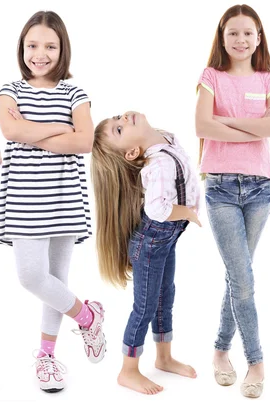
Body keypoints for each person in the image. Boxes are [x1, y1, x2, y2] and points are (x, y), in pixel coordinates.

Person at [0, 10, 105, 393]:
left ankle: (47, 356)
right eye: (32, 45)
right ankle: (88, 316)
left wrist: (33, 132)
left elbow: (84, 141)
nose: (39, 54)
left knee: (55, 281)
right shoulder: (10, 90)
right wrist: (61, 127)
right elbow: (10, 129)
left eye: (49, 46)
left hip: (62, 197)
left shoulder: (76, 93)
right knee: (31, 277)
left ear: (63, 49)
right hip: (25, 200)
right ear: (22, 48)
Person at [195, 3, 270, 398]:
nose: (241, 39)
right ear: (222, 37)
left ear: (259, 37)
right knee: (244, 279)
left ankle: (218, 350)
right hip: (220, 189)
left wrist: (227, 123)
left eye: (248, 32)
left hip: (260, 189)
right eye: (233, 32)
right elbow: (201, 124)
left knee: (238, 276)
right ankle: (256, 361)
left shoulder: (269, 79)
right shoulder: (210, 76)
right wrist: (255, 126)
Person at [91, 111, 201, 395]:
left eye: (119, 118)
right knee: (145, 306)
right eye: (118, 128)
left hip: (166, 238)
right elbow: (158, 210)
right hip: (152, 242)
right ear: (131, 152)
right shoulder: (158, 164)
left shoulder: (164, 143)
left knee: (166, 295)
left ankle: (164, 357)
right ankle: (128, 370)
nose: (124, 119)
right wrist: (188, 212)